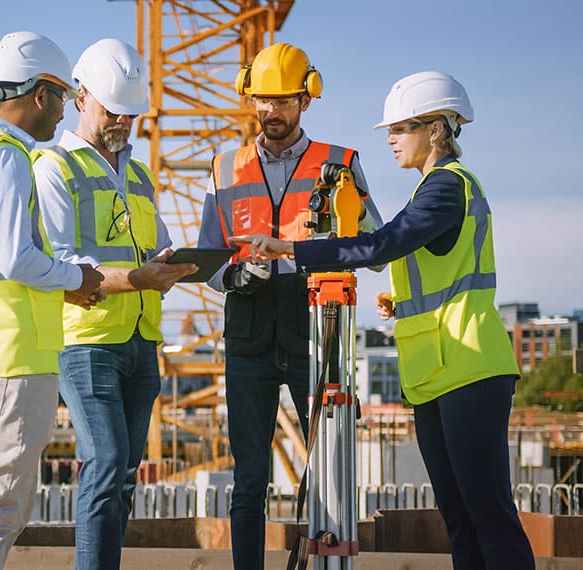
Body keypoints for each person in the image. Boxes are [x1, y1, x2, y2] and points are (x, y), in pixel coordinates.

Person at [229, 71, 536, 570]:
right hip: (436, 373)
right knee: (458, 517)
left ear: (436, 129)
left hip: (471, 366)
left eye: (401, 128)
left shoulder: (446, 188)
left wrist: (292, 247)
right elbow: (435, 260)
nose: (391, 139)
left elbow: (381, 243)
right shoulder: (428, 191)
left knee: (489, 515)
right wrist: (401, 297)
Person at [194, 42, 382, 570]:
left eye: (283, 101)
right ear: (249, 98)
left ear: (307, 98)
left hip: (317, 334)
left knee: (328, 471)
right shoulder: (224, 168)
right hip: (249, 336)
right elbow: (211, 259)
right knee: (249, 479)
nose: (271, 112)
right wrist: (234, 275)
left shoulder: (340, 164)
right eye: (262, 100)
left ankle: (330, 564)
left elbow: (377, 246)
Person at [0, 31, 106, 570]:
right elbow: (17, 259)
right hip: (14, 359)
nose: (64, 112)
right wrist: (76, 278)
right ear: (40, 95)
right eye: (62, 97)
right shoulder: (6, 158)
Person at [33, 38, 197, 570]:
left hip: (141, 343)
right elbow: (60, 259)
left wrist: (177, 263)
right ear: (81, 98)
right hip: (87, 341)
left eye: (130, 114)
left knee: (125, 471)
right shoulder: (54, 165)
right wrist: (141, 277)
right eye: (112, 111)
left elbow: (157, 245)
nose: (122, 123)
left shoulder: (142, 176)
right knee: (104, 461)